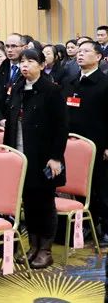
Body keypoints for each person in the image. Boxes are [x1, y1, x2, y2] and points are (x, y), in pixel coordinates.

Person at [2, 49, 67, 269]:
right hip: (20, 154)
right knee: (28, 203)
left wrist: (56, 157)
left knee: (44, 203)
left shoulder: (52, 90)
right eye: (22, 61)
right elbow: (11, 122)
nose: (25, 65)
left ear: (41, 65)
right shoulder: (18, 88)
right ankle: (33, 246)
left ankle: (45, 250)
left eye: (30, 61)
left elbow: (61, 127)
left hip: (43, 157)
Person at [64, 41, 108, 239]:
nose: (80, 54)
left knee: (101, 187)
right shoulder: (71, 82)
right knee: (79, 186)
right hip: (73, 145)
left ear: (98, 57)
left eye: (85, 51)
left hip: (98, 144)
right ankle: (86, 224)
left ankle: (105, 227)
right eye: (79, 51)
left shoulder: (104, 83)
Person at [0, 33, 28, 125]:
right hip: (3, 120)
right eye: (7, 46)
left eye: (14, 46)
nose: (9, 50)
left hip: (22, 121)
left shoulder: (29, 68)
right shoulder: (1, 68)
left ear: (24, 48)